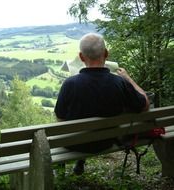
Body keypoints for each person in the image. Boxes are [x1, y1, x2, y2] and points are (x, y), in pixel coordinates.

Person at [54, 33, 150, 175]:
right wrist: (128, 78)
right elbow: (145, 105)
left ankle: (62, 169)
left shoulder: (70, 83)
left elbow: (60, 117)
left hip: (74, 143)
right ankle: (80, 161)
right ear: (106, 54)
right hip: (106, 141)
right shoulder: (120, 82)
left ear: (81, 57)